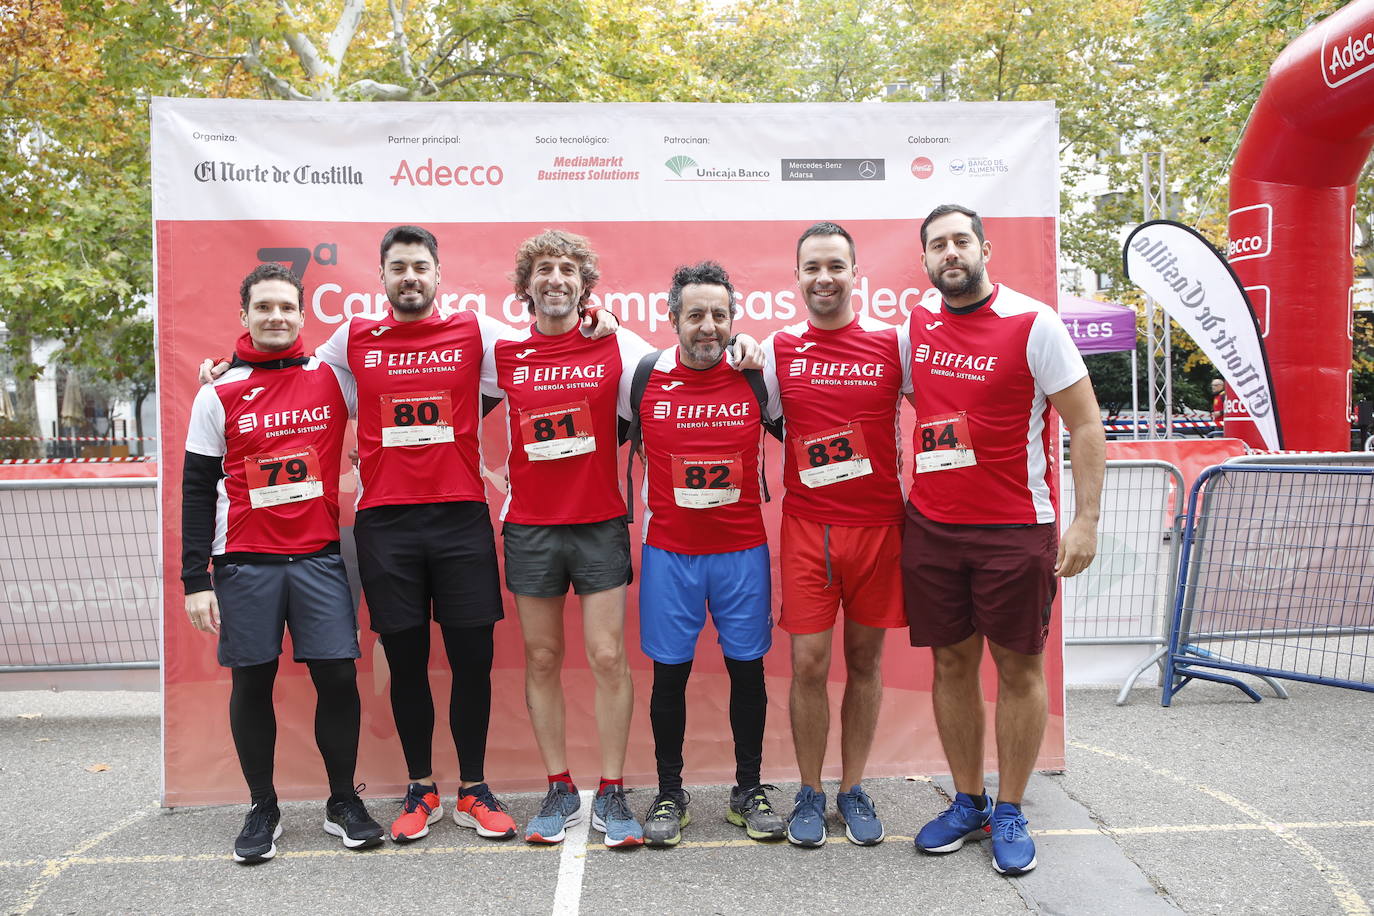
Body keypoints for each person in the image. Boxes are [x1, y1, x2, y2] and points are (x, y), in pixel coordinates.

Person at [312, 225, 618, 844]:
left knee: (472, 661)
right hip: (385, 524)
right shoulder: (352, 339)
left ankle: (473, 790)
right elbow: (300, 374)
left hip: (460, 517)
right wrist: (230, 366)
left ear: (437, 274)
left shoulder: (476, 333)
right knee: (406, 661)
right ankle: (420, 788)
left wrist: (599, 315)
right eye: (399, 268)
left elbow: (550, 339)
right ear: (382, 277)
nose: (410, 278)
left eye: (420, 267)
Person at [903, 204, 1104, 876]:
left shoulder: (1033, 322)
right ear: (926, 259)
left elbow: (1085, 424)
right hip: (932, 526)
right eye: (938, 245)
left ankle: (1011, 808)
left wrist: (1086, 520)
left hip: (1016, 529)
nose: (950, 253)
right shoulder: (915, 323)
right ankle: (968, 800)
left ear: (984, 247)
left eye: (961, 240)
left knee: (1018, 670)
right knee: (952, 666)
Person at [182, 263, 383, 862]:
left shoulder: (331, 378)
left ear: (302, 314)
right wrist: (196, 579)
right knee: (252, 682)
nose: (276, 317)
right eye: (263, 307)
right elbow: (195, 489)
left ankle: (342, 801)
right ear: (243, 315)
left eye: (286, 307)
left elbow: (402, 378)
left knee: (339, 679)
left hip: (319, 556)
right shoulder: (215, 391)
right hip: (243, 561)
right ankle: (263, 806)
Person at [484, 230, 653, 847]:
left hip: (599, 523)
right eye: (544, 269)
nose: (555, 278)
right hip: (530, 526)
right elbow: (445, 391)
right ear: (526, 285)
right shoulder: (500, 353)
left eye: (568, 270)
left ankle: (612, 788)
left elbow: (676, 369)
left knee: (608, 657)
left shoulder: (618, 343)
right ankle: (558, 785)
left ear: (585, 286)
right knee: (543, 657)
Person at [760, 222, 912, 847]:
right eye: (812, 267)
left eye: (835, 266)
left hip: (880, 528)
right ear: (796, 277)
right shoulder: (776, 348)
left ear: (856, 273)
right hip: (808, 531)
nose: (824, 278)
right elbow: (758, 413)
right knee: (808, 664)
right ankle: (809, 791)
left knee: (865, 663)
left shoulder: (892, 343)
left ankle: (851, 787)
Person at [632, 262, 786, 848]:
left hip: (742, 552)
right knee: (669, 678)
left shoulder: (755, 378)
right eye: (695, 314)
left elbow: (805, 429)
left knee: (747, 674)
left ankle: (749, 790)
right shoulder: (643, 376)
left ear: (733, 321)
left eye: (720, 315)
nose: (708, 326)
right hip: (669, 554)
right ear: (672, 319)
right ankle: (670, 792)